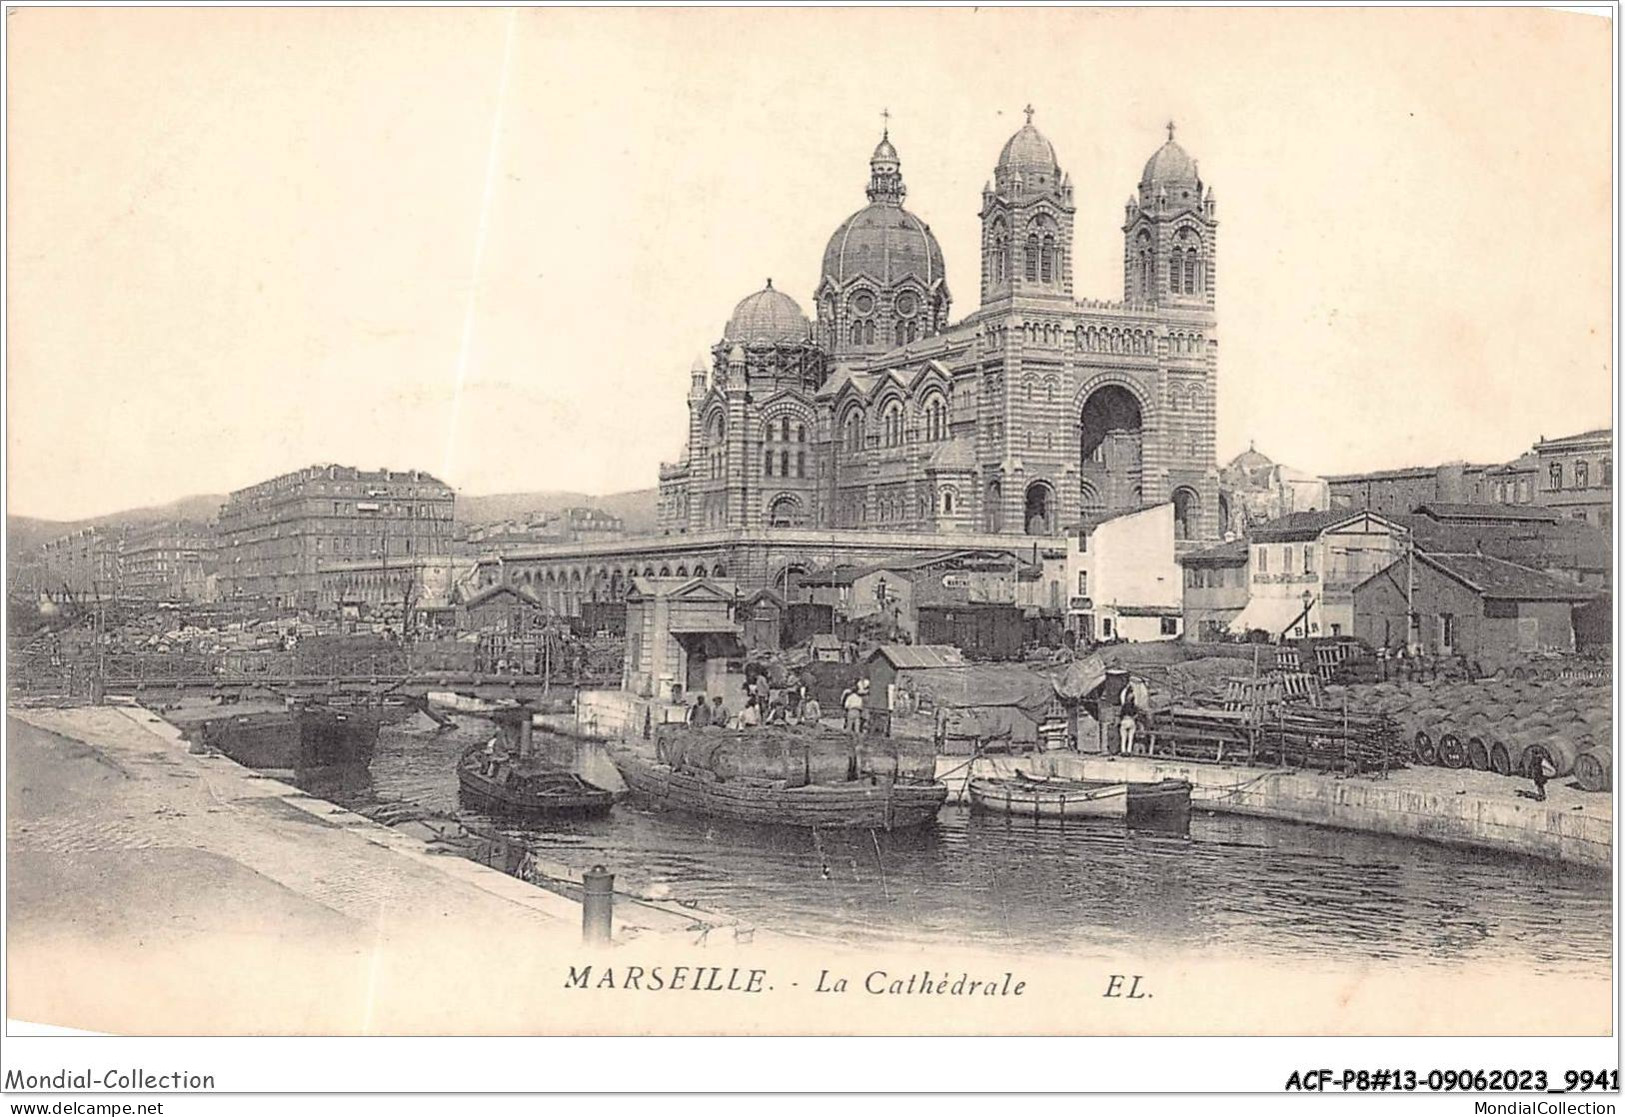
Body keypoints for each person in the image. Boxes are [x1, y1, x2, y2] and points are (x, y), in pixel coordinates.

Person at [1118, 681, 1139, 755]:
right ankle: (1129, 751)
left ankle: (1123, 751)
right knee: (1131, 737)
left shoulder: (1124, 705)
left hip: (1124, 720)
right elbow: (1137, 715)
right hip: (1131, 721)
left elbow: (1120, 714)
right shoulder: (1135, 706)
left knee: (1123, 737)